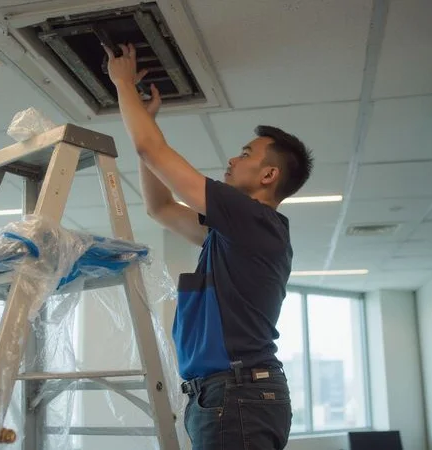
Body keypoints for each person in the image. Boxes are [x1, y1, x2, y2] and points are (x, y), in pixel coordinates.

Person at [104, 43, 314, 450]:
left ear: (269, 174)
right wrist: (142, 129)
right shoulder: (233, 235)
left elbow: (155, 151)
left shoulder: (254, 221)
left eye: (245, 153)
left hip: (238, 393)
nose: (233, 160)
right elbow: (160, 207)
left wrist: (122, 84)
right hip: (224, 394)